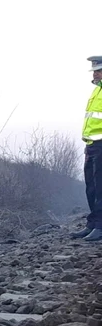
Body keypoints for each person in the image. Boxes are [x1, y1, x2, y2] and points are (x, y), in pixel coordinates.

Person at [71, 56, 102, 241]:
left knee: (101, 188)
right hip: (91, 145)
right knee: (91, 188)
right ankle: (93, 224)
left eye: (98, 70)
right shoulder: (96, 91)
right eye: (94, 70)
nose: (95, 73)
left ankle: (100, 227)